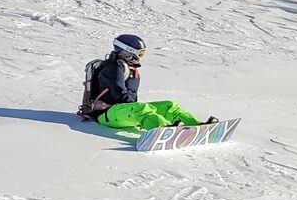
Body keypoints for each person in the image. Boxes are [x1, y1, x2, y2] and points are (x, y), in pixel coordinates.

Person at [78, 34, 214, 131]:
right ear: (128, 52)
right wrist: (136, 106)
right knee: (143, 109)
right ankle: (165, 130)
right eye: (140, 54)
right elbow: (120, 95)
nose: (140, 57)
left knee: (169, 105)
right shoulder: (113, 67)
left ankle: (198, 126)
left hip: (122, 111)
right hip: (106, 114)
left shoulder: (128, 68)